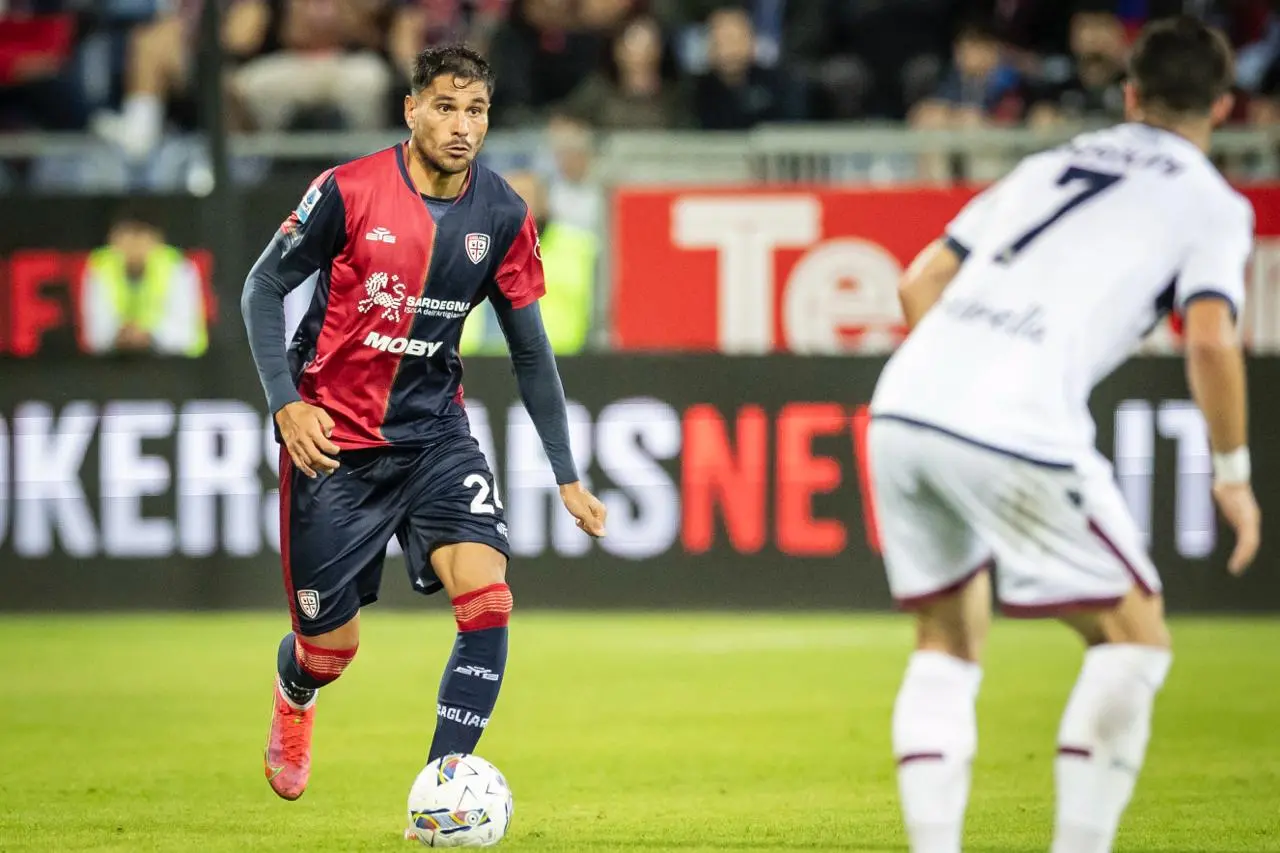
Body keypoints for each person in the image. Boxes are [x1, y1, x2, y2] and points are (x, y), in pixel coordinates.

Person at [866, 16, 1261, 853]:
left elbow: (917, 282)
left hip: (906, 402)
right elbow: (1213, 337)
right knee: (1136, 639)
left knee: (945, 639)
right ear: (1223, 106)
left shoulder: (1051, 163)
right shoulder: (1211, 203)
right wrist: (1232, 471)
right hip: (1016, 416)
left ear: (1129, 94)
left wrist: (955, 387)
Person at [239, 44, 607, 802]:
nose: (461, 125)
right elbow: (262, 286)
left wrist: (567, 474)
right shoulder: (348, 190)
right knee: (330, 651)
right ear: (411, 110)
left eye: (476, 110)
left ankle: (442, 786)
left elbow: (531, 350)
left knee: (489, 598)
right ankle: (296, 689)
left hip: (435, 433)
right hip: (334, 446)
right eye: (445, 106)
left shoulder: (502, 213)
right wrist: (286, 400)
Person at [80, 211, 208, 357]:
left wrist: (149, 336)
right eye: (126, 234)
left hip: (173, 368)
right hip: (112, 368)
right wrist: (121, 336)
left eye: (141, 235)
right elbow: (94, 337)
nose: (134, 245)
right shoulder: (100, 266)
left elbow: (189, 336)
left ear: (157, 239)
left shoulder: (179, 268)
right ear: (112, 238)